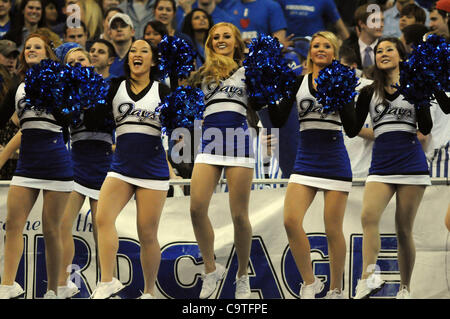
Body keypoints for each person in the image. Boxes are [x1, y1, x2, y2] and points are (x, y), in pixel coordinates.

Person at [267, 31, 358, 299]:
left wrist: (342, 97)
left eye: (326, 46)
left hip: (334, 160)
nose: (320, 49)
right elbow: (279, 117)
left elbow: (352, 129)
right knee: (290, 221)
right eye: (316, 45)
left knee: (333, 229)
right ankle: (310, 282)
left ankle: (336, 289)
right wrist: (271, 89)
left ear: (334, 52)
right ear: (310, 52)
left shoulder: (342, 81)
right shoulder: (298, 83)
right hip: (305, 159)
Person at [352, 37, 437, 299]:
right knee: (368, 216)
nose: (383, 53)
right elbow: (353, 128)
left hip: (411, 164)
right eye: (378, 51)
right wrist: (342, 101)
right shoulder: (368, 92)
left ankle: (405, 288)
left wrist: (420, 96)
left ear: (400, 55)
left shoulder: (415, 86)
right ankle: (368, 276)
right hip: (380, 165)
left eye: (389, 49)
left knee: (403, 229)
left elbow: (426, 128)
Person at [90, 39, 174, 299]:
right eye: (133, 51)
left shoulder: (163, 90)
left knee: (147, 233)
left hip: (152, 169)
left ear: (152, 60)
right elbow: (96, 120)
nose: (137, 54)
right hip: (121, 167)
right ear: (128, 60)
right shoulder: (115, 87)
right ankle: (107, 280)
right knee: (102, 218)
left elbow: (179, 127)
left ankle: (149, 292)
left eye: (144, 51)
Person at [0, 33, 73, 299]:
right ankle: (7, 285)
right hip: (27, 165)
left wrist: (51, 92)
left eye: (37, 47)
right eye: (27, 47)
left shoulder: (61, 82)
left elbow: (67, 120)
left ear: (47, 53)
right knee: (12, 224)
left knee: (51, 230)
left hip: (56, 164)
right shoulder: (18, 87)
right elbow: (4, 119)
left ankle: (53, 290)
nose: (30, 49)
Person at [187, 22, 255, 299]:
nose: (221, 40)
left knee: (239, 215)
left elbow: (262, 105)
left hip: (238, 141)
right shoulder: (202, 74)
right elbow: (187, 107)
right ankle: (211, 269)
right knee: (196, 207)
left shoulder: (249, 72)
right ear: (210, 43)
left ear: (237, 42)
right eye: (216, 37)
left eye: (227, 36)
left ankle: (242, 275)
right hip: (209, 141)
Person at [57, 47, 114, 299]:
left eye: (81, 59)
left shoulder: (108, 88)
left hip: (102, 163)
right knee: (61, 225)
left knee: (101, 227)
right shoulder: (63, 94)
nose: (77, 63)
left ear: (90, 62)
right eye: (71, 62)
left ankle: (106, 282)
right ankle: (63, 283)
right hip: (76, 164)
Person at [276, 0, 350, 40]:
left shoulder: (325, 1)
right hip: (290, 48)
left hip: (315, 48)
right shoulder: (281, 1)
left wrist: (346, 50)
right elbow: (275, 26)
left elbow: (340, 27)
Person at [342, 4, 385, 71]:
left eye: (382, 20)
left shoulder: (386, 47)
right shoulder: (347, 48)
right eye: (375, 21)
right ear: (362, 24)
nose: (381, 25)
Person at [108, 12, 135, 78]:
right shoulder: (105, 57)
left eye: (123, 26)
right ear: (110, 34)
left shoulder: (139, 56)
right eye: (114, 27)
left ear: (132, 32)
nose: (119, 29)